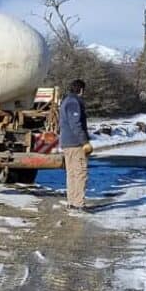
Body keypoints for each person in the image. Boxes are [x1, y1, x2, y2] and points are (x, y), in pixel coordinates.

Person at [59, 79, 90, 211]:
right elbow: (75, 123)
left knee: (71, 173)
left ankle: (72, 202)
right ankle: (78, 203)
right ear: (81, 90)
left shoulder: (66, 100)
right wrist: (85, 142)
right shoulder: (74, 102)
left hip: (67, 142)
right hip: (75, 143)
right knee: (80, 173)